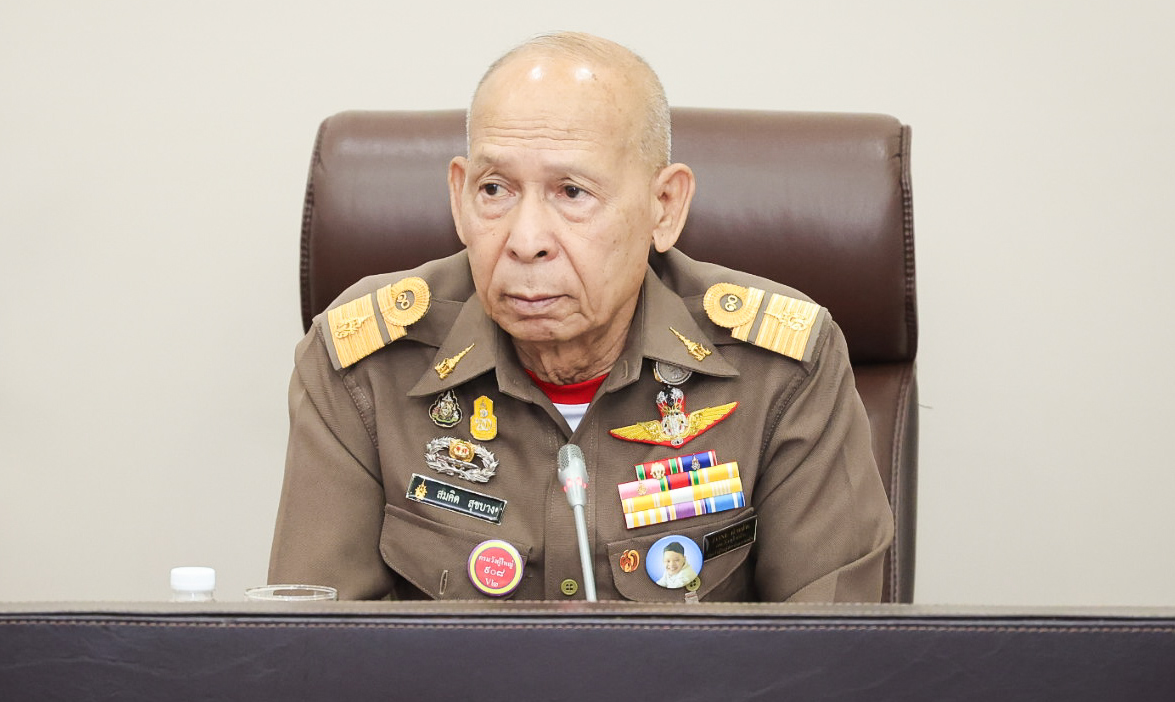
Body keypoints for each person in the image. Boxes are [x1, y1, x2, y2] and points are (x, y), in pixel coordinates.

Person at [269, 32, 893, 602]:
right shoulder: (362, 366)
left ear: (664, 206)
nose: (526, 241)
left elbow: (828, 663)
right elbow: (315, 660)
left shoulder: (782, 368)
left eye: (572, 192)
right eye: (494, 189)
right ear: (459, 198)